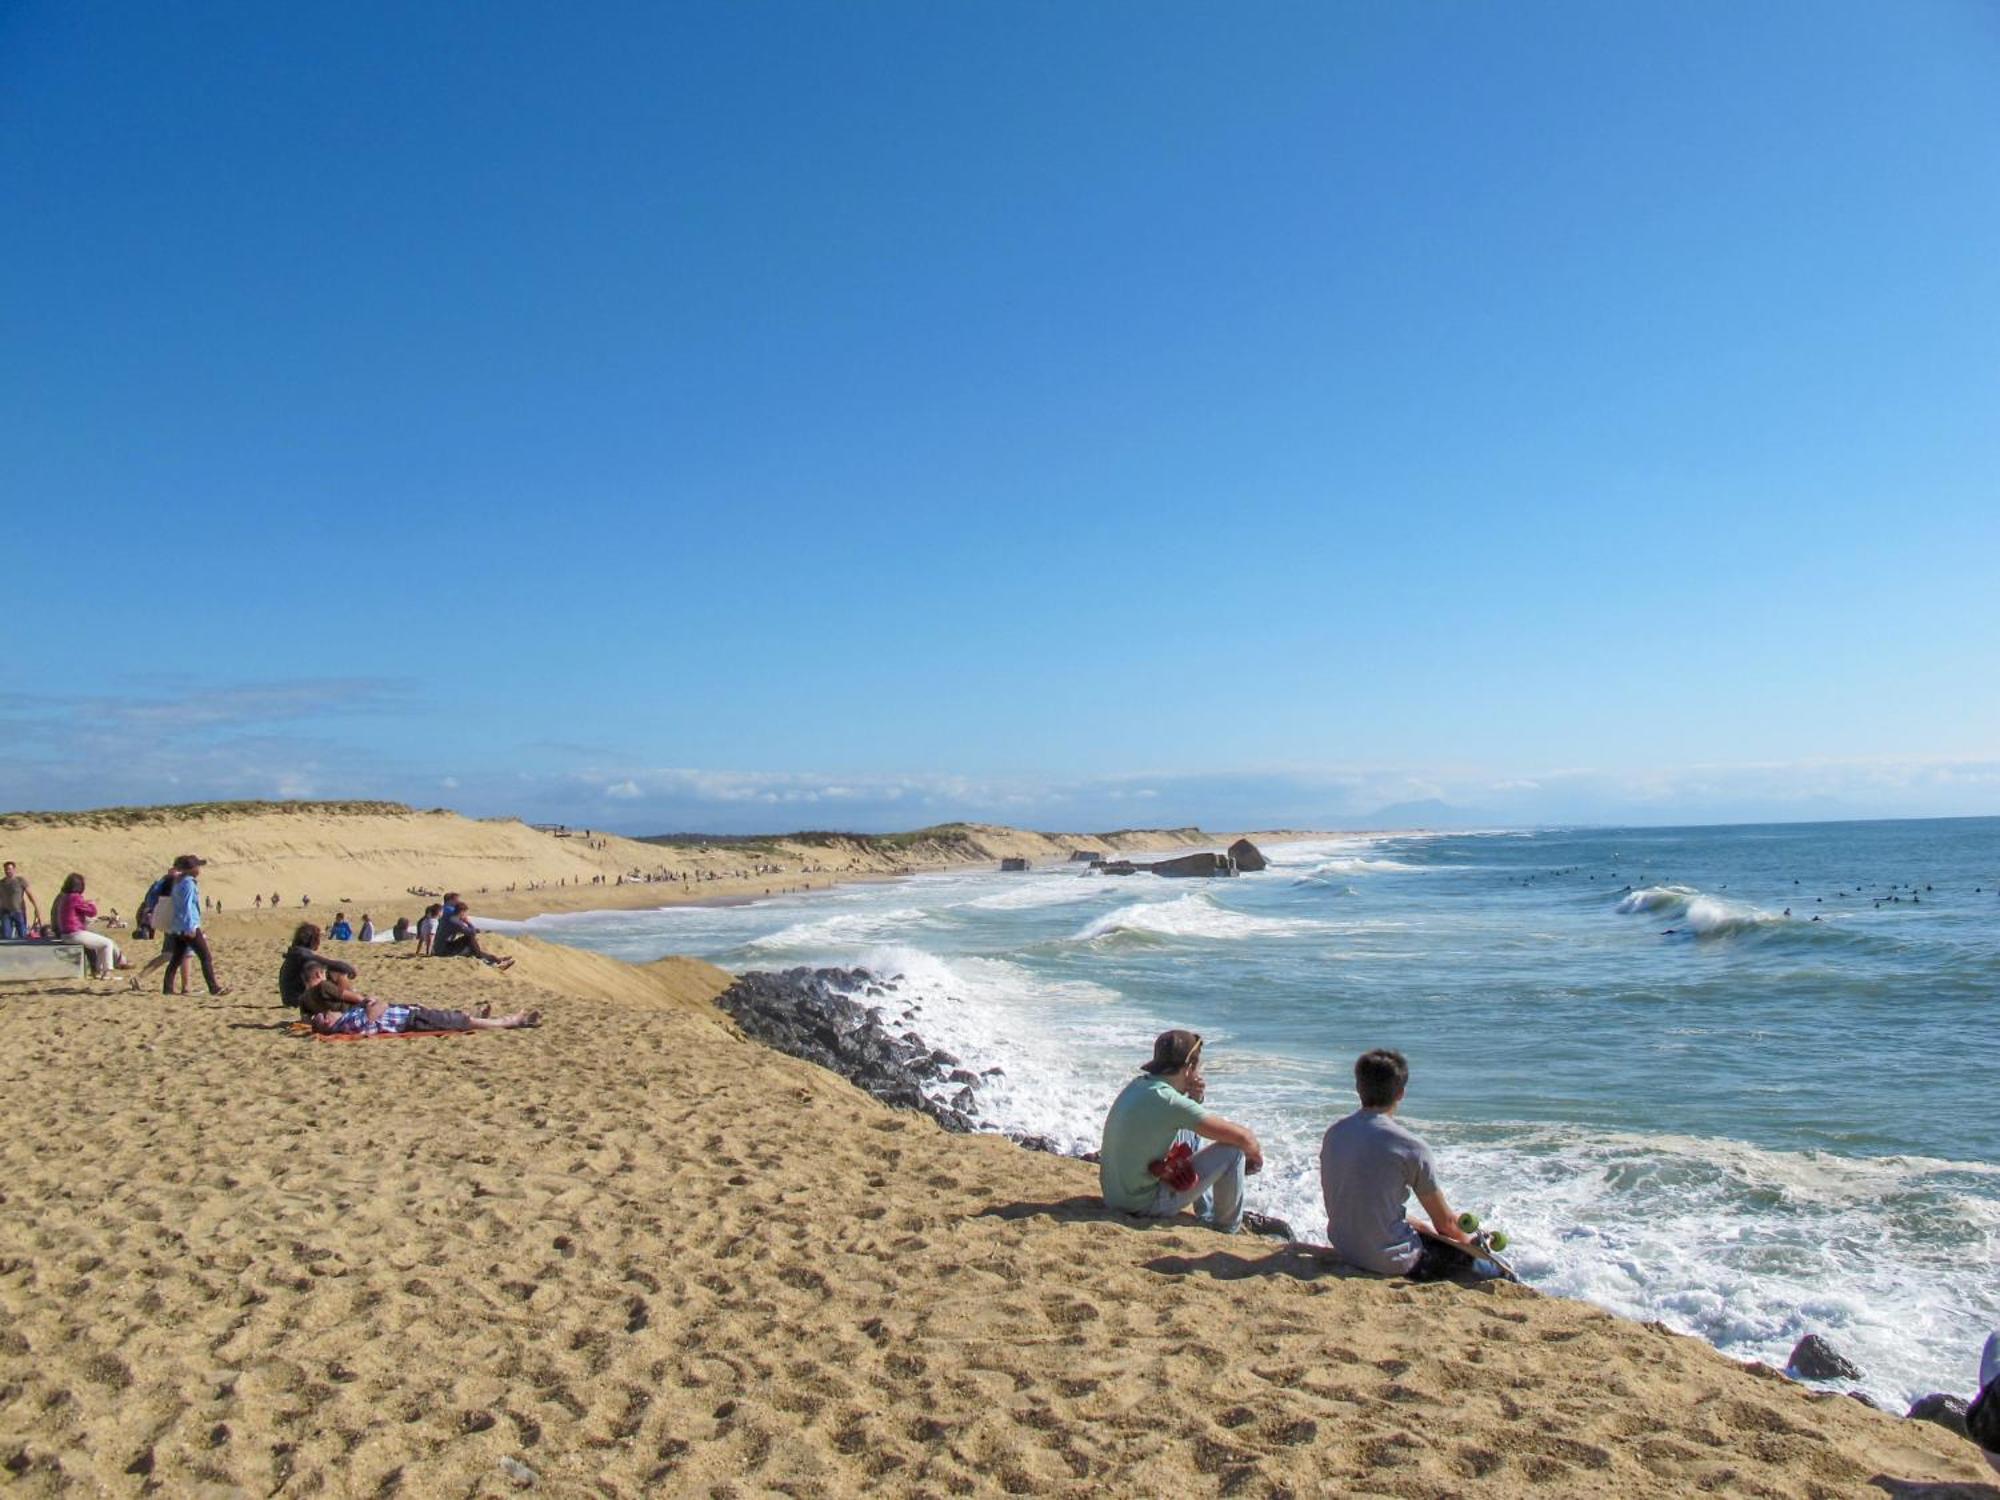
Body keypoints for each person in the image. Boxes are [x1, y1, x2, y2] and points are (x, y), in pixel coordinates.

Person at [1319, 1049, 1477, 1280]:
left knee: (1417, 1224)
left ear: (1358, 1088)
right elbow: (1446, 1224)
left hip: (1345, 1247)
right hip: (1390, 1262)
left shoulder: (1335, 1133)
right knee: (1478, 1265)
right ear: (1401, 1093)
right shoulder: (1411, 1147)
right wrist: (1472, 1244)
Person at [1098, 1029, 1263, 1234]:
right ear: (1189, 1068)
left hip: (1115, 1196)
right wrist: (1254, 1155)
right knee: (1234, 1152)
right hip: (1140, 1205)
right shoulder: (1170, 1102)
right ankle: (1227, 1228)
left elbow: (1178, 1120)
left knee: (1192, 1133)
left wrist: (1194, 1099)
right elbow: (1243, 1137)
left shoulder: (1142, 1085)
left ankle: (1207, 1211)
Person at [298, 960, 539, 1034]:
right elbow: (362, 1002)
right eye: (323, 1018)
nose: (322, 1014)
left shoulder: (305, 1000)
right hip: (410, 1020)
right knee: (460, 1022)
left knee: (448, 1016)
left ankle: (475, 1016)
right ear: (319, 974)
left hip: (406, 1014)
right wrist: (370, 1001)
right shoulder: (325, 993)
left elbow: (307, 1019)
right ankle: (510, 1021)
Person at [160, 854, 229, 996]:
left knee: (177, 958)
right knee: (205, 957)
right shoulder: (188, 883)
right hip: (187, 926)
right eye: (197, 866)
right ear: (190, 869)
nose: (199, 869)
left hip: (178, 926)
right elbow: (186, 907)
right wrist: (190, 927)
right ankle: (214, 987)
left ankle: (167, 988)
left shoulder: (178, 882)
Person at [52, 874, 123, 978]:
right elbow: (92, 912)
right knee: (107, 943)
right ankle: (107, 972)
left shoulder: (64, 897)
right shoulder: (75, 897)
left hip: (65, 933)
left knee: (99, 944)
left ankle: (98, 971)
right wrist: (92, 904)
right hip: (75, 933)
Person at [277, 922, 357, 1011]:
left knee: (329, 972)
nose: (319, 942)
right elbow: (329, 963)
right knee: (336, 973)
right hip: (296, 1000)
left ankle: (350, 999)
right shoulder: (301, 954)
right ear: (312, 939)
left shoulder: (297, 952)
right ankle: (352, 1001)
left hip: (291, 999)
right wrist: (350, 969)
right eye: (318, 938)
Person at [432, 896, 513, 969]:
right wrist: (468, 922)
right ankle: (496, 961)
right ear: (461, 912)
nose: (466, 915)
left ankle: (495, 960)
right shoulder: (456, 922)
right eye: (465, 913)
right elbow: (472, 933)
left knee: (471, 946)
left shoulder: (451, 919)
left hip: (439, 947)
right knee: (470, 940)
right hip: (443, 950)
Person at [0, 861, 40, 940]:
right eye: (6, 869)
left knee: (22, 936)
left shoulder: (20, 880)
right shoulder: (1, 883)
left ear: (14, 869)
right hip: (5, 912)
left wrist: (36, 908)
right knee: (6, 936)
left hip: (19, 912)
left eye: (9, 869)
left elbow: (30, 895)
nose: (7, 871)